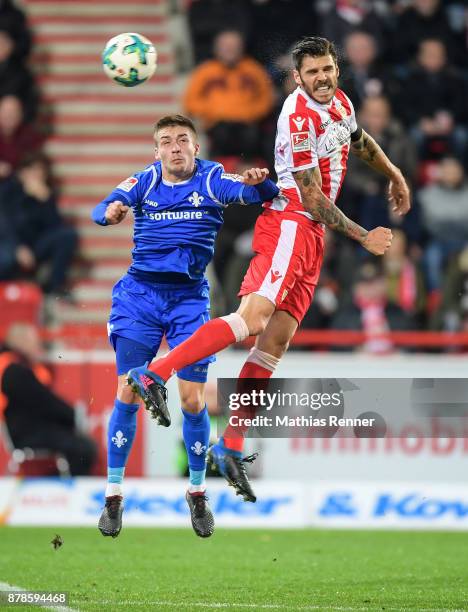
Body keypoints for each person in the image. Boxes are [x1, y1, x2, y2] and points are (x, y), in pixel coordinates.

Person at [128, 37, 411, 503]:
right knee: (251, 319)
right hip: (291, 222)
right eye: (312, 72)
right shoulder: (297, 118)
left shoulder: (339, 101)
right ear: (297, 78)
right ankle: (155, 372)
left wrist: (394, 172)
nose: (322, 78)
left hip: (313, 235)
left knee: (273, 344)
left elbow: (357, 139)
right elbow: (313, 196)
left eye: (327, 68)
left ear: (335, 68)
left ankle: (232, 445)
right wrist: (363, 236)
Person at [92, 114, 279, 539]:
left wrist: (259, 182)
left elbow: (258, 194)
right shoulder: (143, 181)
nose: (174, 147)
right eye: (166, 141)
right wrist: (112, 213)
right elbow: (100, 209)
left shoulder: (212, 179)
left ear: (196, 147)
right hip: (139, 296)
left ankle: (196, 493)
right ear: (156, 150)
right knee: (127, 389)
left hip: (189, 300)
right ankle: (113, 496)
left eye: (182, 140)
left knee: (194, 400)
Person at [0, 323, 96, 475]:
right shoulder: (14, 370)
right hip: (26, 433)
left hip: (26, 429)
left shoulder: (12, 366)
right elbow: (44, 402)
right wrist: (72, 416)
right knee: (83, 448)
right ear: (21, 341)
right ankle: (70, 492)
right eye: (35, 341)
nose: (38, 345)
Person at [183, 29, 274, 158]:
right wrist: (214, 112)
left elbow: (266, 100)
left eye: (234, 46)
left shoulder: (254, 70)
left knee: (254, 137)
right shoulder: (205, 72)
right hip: (216, 125)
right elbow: (190, 102)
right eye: (225, 46)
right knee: (219, 136)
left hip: (248, 124)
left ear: (241, 48)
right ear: (216, 48)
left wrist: (250, 113)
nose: (230, 50)